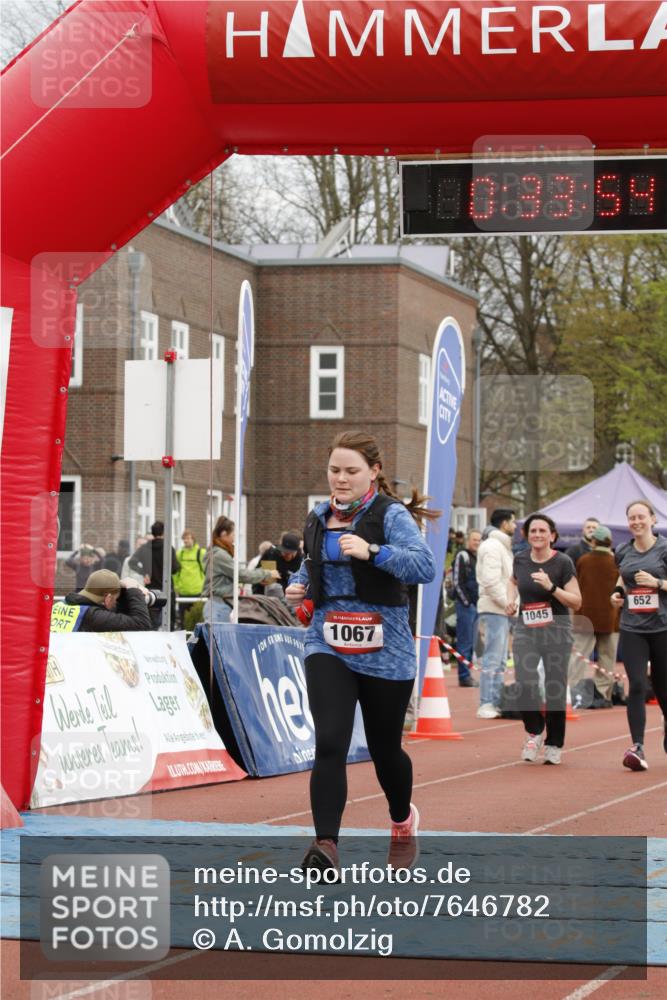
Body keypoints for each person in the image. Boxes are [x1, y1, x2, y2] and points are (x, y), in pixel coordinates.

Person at [285, 430, 437, 875]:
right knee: (330, 741)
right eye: (335, 470)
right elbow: (308, 566)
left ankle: (402, 820)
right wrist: (298, 587)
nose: (341, 479)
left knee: (384, 749)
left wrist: (373, 551)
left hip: (385, 648)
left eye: (351, 471)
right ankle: (326, 844)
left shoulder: (389, 516)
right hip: (327, 641)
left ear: (373, 472)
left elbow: (424, 565)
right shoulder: (318, 515)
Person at [507, 514, 581, 765]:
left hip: (556, 630)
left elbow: (576, 601)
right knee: (524, 683)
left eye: (542, 530)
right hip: (527, 628)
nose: (537, 534)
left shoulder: (563, 562)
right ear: (527, 535)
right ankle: (535, 730)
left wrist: (551, 587)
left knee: (554, 688)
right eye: (533, 530)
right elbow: (512, 581)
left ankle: (554, 743)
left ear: (552, 535)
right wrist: (511, 600)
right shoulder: (520, 559)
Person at [611, 499, 667, 771]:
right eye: (631, 518)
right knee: (635, 684)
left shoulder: (664, 548)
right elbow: (623, 576)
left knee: (663, 687)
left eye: (641, 517)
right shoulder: (622, 550)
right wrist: (618, 593)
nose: (636, 522)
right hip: (633, 626)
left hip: (663, 627)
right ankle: (638, 746)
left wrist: (657, 583)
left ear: (653, 520)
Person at [568, 525, 620, 702]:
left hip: (585, 616)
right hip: (610, 617)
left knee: (580, 656)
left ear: (593, 541)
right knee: (607, 657)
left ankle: (575, 691)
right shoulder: (615, 561)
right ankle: (603, 693)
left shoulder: (583, 560)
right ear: (610, 541)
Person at [475, 508, 516, 719]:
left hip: (501, 609)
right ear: (504, 523)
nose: (515, 526)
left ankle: (496, 700)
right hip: (494, 609)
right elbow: (491, 581)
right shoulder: (492, 546)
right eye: (513, 522)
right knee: (492, 658)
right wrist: (508, 603)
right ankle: (486, 702)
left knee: (500, 660)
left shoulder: (502, 547)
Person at [202, 516, 279, 623]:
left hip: (218, 605)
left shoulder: (214, 552)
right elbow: (240, 574)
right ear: (224, 534)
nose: (234, 539)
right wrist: (267, 573)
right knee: (220, 639)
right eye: (233, 535)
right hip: (219, 606)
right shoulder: (219, 555)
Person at [50, 569, 154, 632]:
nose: (116, 603)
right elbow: (142, 624)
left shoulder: (61, 605)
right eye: (115, 600)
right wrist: (133, 589)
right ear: (108, 598)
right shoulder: (92, 616)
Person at [129, 521, 179, 626]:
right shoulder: (168, 548)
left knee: (151, 623)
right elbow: (175, 568)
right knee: (169, 622)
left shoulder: (145, 548)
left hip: (151, 590)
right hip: (167, 589)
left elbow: (131, 562)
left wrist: (144, 573)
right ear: (164, 532)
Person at [452, 530, 481, 687]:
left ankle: (467, 674)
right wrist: (466, 602)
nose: (477, 542)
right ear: (467, 540)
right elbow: (457, 581)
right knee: (464, 642)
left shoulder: (476, 557)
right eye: (474, 539)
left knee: (470, 643)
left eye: (479, 540)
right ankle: (464, 676)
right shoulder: (462, 555)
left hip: (474, 606)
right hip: (466, 607)